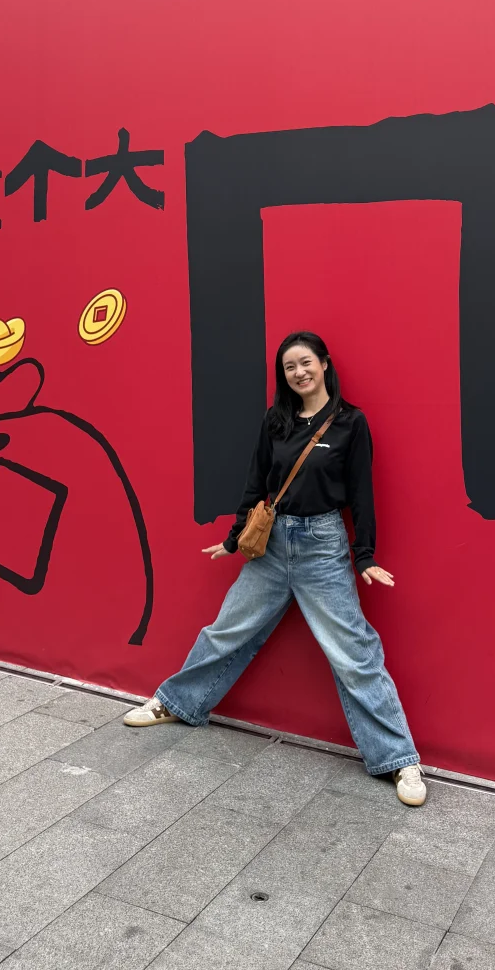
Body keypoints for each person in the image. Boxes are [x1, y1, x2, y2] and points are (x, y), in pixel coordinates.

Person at [124, 330, 426, 806]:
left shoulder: (351, 423)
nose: (299, 373)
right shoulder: (276, 421)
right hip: (272, 544)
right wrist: (233, 538)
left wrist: (364, 555)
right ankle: (176, 702)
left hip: (323, 548)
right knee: (226, 630)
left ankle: (400, 759)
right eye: (289, 367)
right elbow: (256, 483)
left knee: (354, 652)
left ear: (324, 364)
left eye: (306, 363)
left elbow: (362, 493)